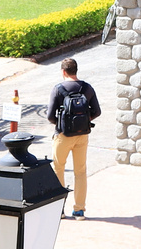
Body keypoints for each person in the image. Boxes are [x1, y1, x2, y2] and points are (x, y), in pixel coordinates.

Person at [47, 57, 101, 220]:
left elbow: (50, 116)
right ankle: (79, 210)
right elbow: (97, 111)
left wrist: (63, 123)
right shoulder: (87, 88)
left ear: (63, 71)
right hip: (82, 135)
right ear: (76, 70)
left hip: (63, 136)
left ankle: (59, 209)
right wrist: (83, 121)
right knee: (80, 171)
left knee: (58, 169)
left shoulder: (58, 89)